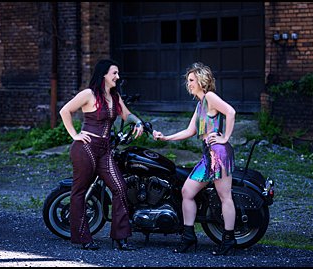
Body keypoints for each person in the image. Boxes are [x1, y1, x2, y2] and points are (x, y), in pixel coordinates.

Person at [152, 62, 238, 255]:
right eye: (188, 81)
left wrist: (225, 137)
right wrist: (166, 137)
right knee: (187, 191)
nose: (188, 84)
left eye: (191, 80)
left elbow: (231, 112)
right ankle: (189, 237)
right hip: (208, 154)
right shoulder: (201, 104)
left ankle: (228, 239)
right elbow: (190, 131)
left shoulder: (210, 97)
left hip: (219, 153)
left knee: (225, 197)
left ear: (201, 80)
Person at [58, 59, 142, 251]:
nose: (117, 77)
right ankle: (83, 238)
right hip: (86, 148)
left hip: (105, 149)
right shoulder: (89, 94)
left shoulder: (115, 96)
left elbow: (126, 115)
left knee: (120, 187)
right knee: (80, 191)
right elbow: (65, 111)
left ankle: (120, 237)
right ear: (104, 74)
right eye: (114, 73)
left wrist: (138, 123)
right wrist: (75, 135)